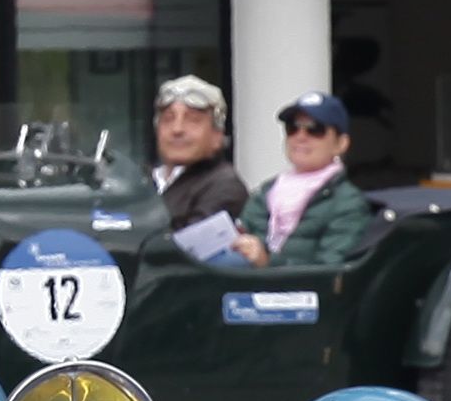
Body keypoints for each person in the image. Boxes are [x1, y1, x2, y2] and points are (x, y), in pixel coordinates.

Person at [238, 93, 380, 269]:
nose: (301, 136)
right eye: (293, 127)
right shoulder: (266, 192)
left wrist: (267, 261)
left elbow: (330, 272)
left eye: (315, 129)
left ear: (341, 143)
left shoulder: (348, 203)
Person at [145, 75, 249, 248]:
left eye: (193, 120)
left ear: (217, 135)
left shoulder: (225, 186)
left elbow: (184, 249)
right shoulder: (140, 180)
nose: (177, 129)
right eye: (168, 119)